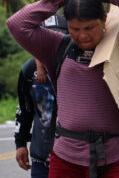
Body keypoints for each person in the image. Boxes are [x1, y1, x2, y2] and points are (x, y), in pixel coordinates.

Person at [7, 0, 119, 178]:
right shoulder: (57, 47)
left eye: (90, 27)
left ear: (104, 20)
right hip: (67, 157)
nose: (82, 35)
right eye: (75, 29)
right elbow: (17, 24)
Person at [14, 15, 68, 178]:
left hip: (74, 160)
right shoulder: (30, 71)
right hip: (41, 160)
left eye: (56, 39)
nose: (50, 46)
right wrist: (21, 143)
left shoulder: (79, 66)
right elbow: (24, 108)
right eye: (44, 40)